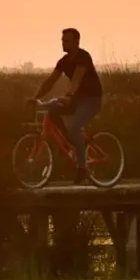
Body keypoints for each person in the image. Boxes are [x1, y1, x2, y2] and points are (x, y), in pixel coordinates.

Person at [29, 27, 103, 184]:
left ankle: (82, 168)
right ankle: (72, 142)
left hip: (91, 100)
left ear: (77, 42)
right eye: (62, 40)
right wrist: (35, 98)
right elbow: (50, 81)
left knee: (75, 128)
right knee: (53, 109)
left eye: (66, 41)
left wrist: (68, 96)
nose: (63, 43)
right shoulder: (63, 61)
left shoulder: (83, 57)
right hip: (76, 99)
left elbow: (76, 79)